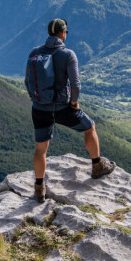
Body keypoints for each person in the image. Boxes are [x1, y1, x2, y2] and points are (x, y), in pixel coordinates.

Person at [25, 18, 115, 201]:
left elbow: (27, 81)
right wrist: (74, 102)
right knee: (90, 127)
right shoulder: (67, 54)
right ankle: (97, 166)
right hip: (62, 108)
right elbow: (75, 84)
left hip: (39, 108)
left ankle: (39, 187)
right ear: (62, 33)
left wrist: (36, 100)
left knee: (41, 149)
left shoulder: (35, 53)